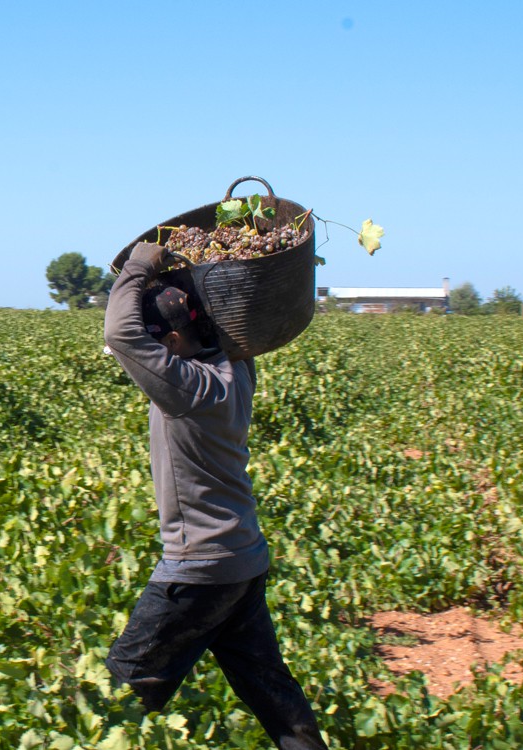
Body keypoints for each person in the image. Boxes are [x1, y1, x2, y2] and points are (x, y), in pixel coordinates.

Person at [101, 241, 328, 750]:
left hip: (199, 569)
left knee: (115, 696)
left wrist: (139, 264)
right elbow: (231, 327)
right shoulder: (235, 368)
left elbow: (119, 334)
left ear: (177, 338)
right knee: (271, 691)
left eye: (161, 342)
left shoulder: (188, 390)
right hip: (243, 561)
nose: (152, 356)